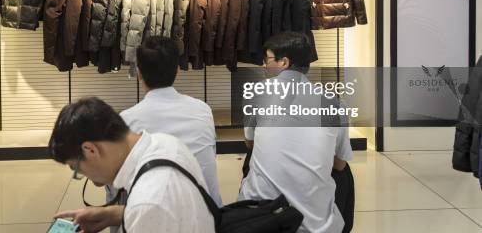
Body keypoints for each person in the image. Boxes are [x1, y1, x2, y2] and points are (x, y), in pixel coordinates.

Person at [49, 97, 215, 233]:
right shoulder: (166, 142)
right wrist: (115, 214)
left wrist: (134, 212)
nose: (84, 175)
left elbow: (151, 209)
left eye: (77, 168)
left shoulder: (147, 204)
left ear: (90, 150)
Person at [239, 31, 346, 233]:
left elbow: (250, 143)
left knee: (251, 157)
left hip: (262, 218)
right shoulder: (333, 102)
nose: (264, 65)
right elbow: (339, 163)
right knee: (344, 171)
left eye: (267, 59)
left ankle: (252, 205)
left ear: (284, 62)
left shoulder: (257, 92)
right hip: (316, 226)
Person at [119, 35, 221, 206]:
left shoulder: (126, 120)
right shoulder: (202, 110)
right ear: (177, 71)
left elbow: (118, 184)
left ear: (139, 74)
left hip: (151, 217)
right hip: (209, 215)